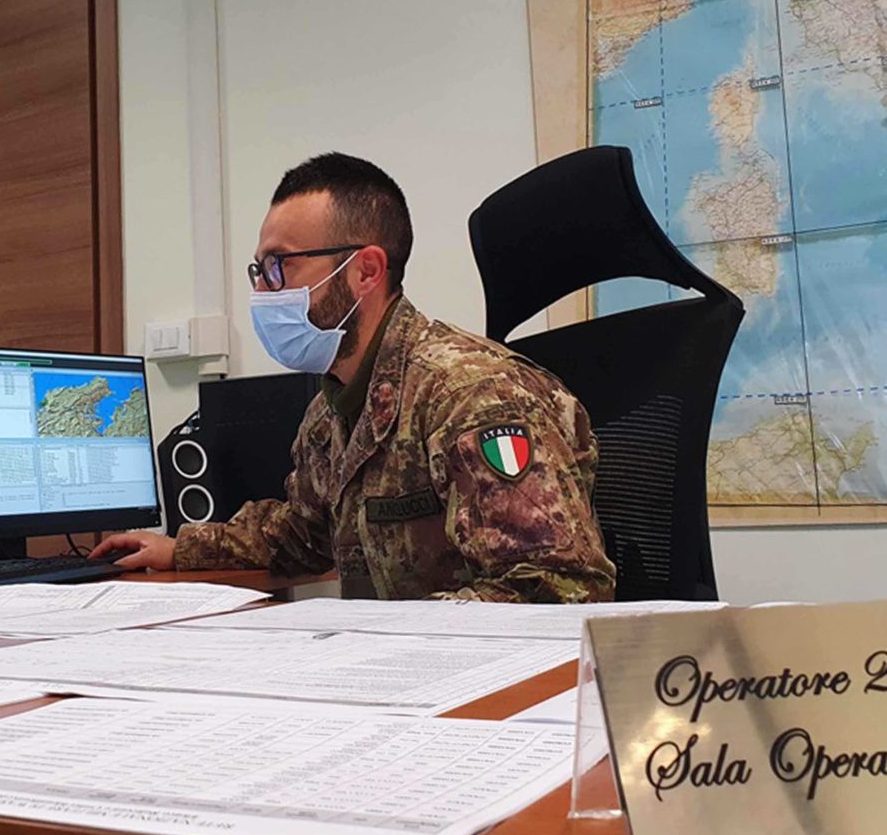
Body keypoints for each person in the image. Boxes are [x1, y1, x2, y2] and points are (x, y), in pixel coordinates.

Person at [92, 153, 615, 602]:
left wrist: (383, 636)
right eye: (259, 271)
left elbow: (558, 587)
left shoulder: (472, 395)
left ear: (366, 271)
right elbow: (302, 536)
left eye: (279, 267)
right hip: (401, 669)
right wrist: (180, 548)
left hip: (487, 680)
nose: (263, 292)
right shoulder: (330, 411)